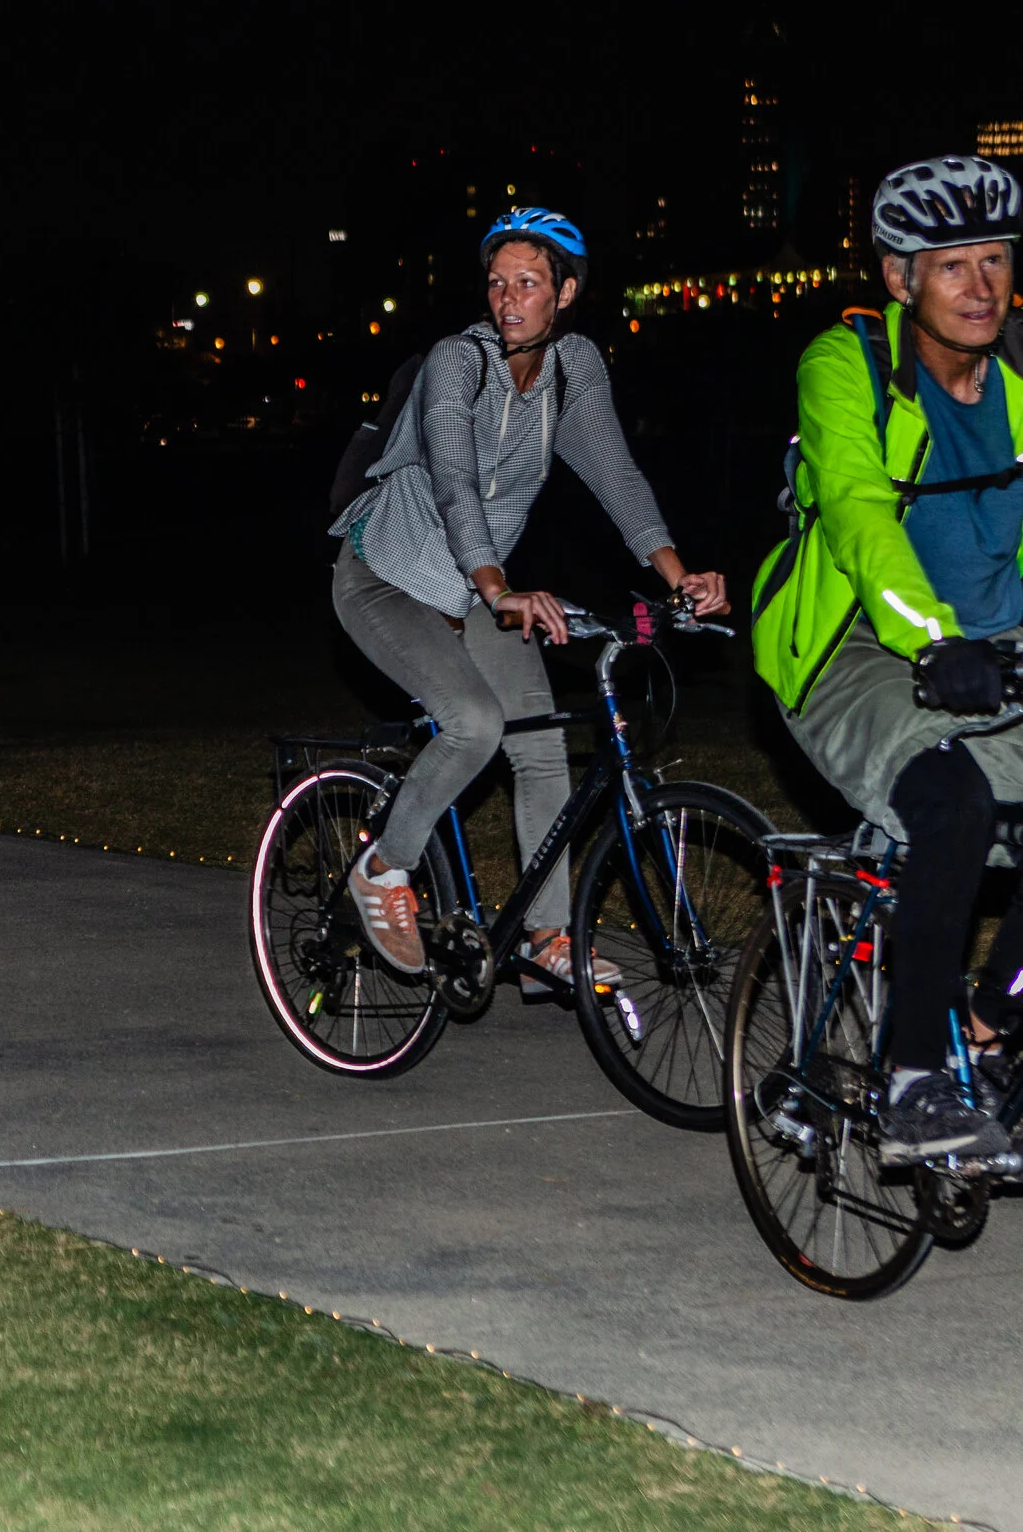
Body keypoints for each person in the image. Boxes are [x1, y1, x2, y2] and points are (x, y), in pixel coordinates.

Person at [327, 210, 727, 991]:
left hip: (476, 588)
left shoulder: (573, 370)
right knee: (474, 723)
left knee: (541, 741)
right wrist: (501, 588)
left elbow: (617, 478)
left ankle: (546, 935)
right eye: (497, 282)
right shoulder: (458, 361)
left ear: (565, 293)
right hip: (386, 577)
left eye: (529, 282)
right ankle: (382, 867)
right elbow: (455, 487)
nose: (508, 299)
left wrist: (678, 576)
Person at [752, 155, 1023, 1163]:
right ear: (899, 277)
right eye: (952, 266)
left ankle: (987, 1034)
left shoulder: (1021, 372)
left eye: (995, 260)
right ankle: (913, 1080)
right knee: (951, 802)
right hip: (858, 641)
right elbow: (862, 515)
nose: (981, 286)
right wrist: (935, 638)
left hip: (996, 636)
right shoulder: (846, 365)